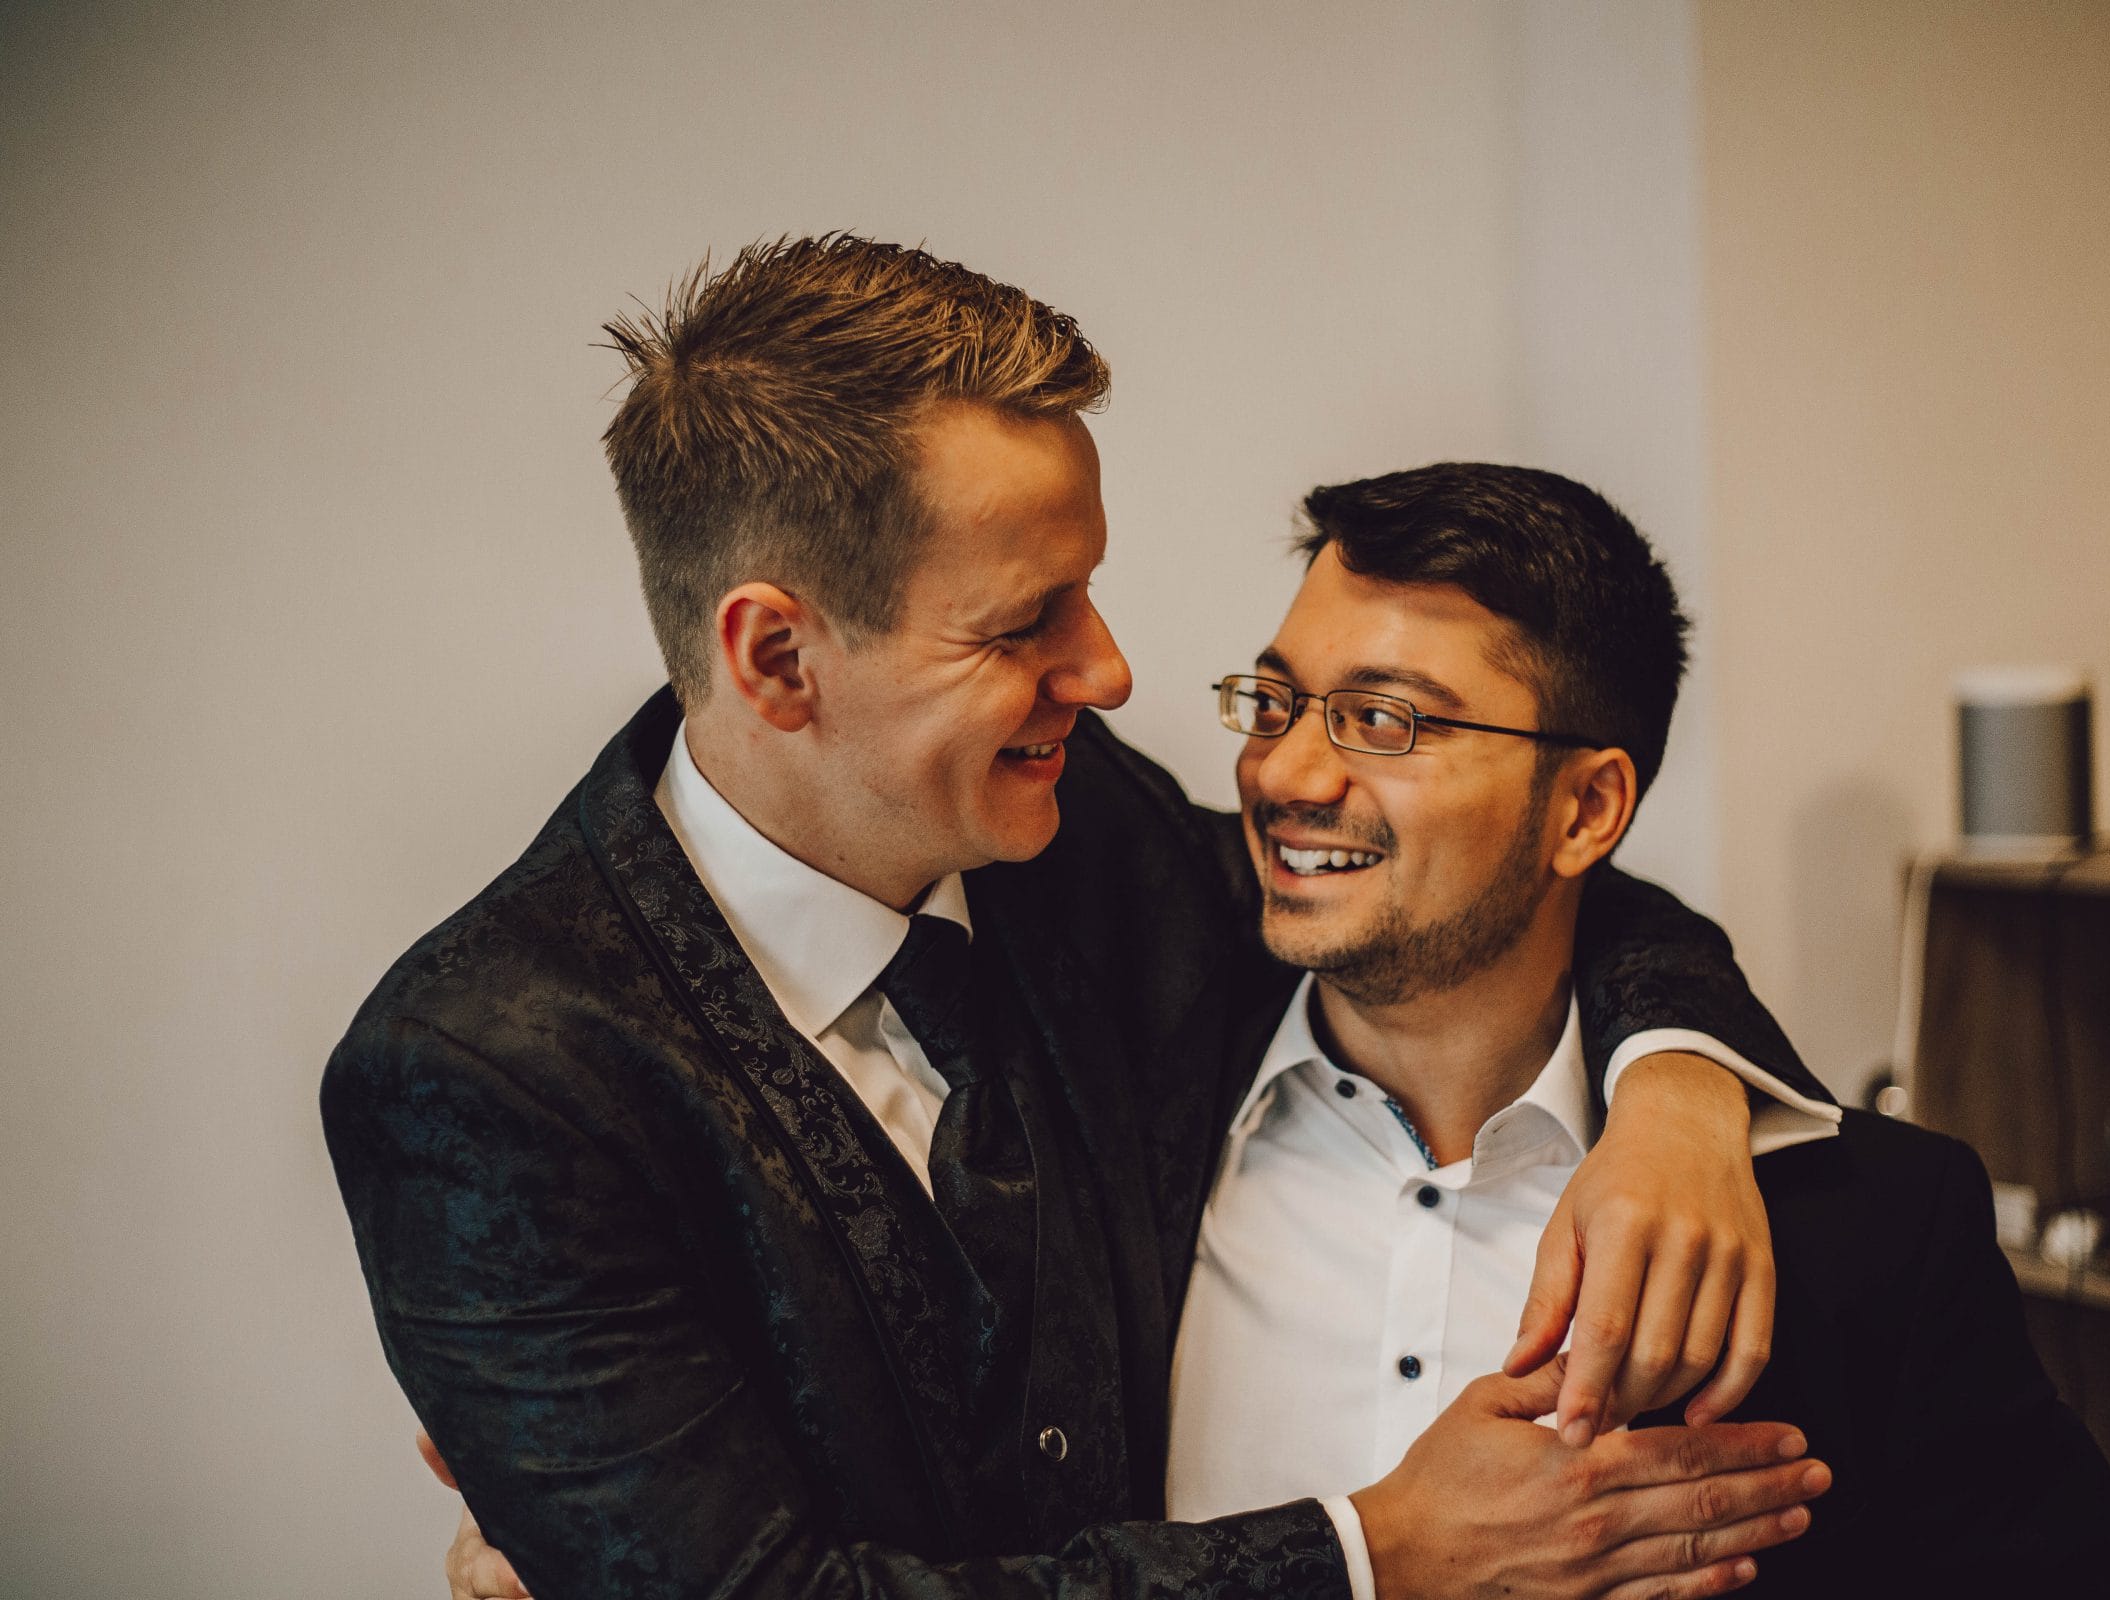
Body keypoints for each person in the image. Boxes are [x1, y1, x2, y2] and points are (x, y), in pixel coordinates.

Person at [324, 236, 1840, 1600]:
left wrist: (1678, 1097)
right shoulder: (482, 1080)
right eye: (1023, 621)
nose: (1108, 670)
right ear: (780, 657)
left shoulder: (1066, 827)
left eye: (1089, 593)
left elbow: (1464, 883)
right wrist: (1379, 1556)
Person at [1159, 463, 2110, 1596]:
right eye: (1276, 699)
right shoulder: (1129, 1102)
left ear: (1586, 809)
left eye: (1384, 720)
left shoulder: (1874, 1229)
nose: (1286, 770)